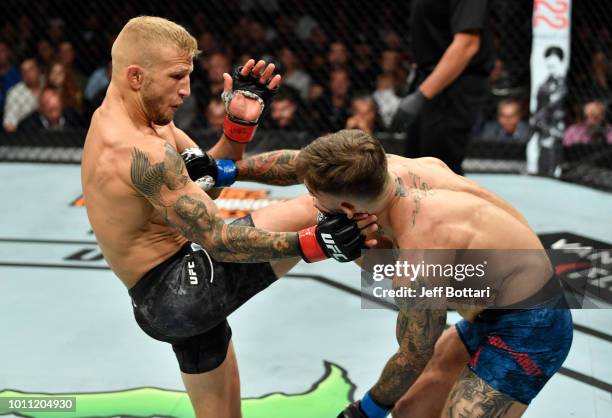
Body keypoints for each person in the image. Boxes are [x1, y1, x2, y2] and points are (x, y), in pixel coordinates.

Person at [81, 17, 374, 418]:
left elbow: (204, 178)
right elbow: (218, 240)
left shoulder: (142, 122)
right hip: (178, 291)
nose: (186, 90)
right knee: (319, 207)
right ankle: (434, 285)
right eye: (177, 76)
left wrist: (237, 127)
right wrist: (313, 243)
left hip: (172, 291)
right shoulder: (136, 149)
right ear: (135, 76)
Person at [260, 129, 572, 417]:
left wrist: (364, 411)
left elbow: (414, 353)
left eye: (315, 196)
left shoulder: (420, 252)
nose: (311, 202)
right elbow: (301, 163)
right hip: (488, 309)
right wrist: (227, 169)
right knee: (410, 412)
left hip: (533, 327)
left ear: (347, 207)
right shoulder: (385, 170)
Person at [393, 0, 494, 174]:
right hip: (430, 81)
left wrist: (422, 95)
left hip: (453, 85)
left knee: (439, 172)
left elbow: (467, 44)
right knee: (415, 169)